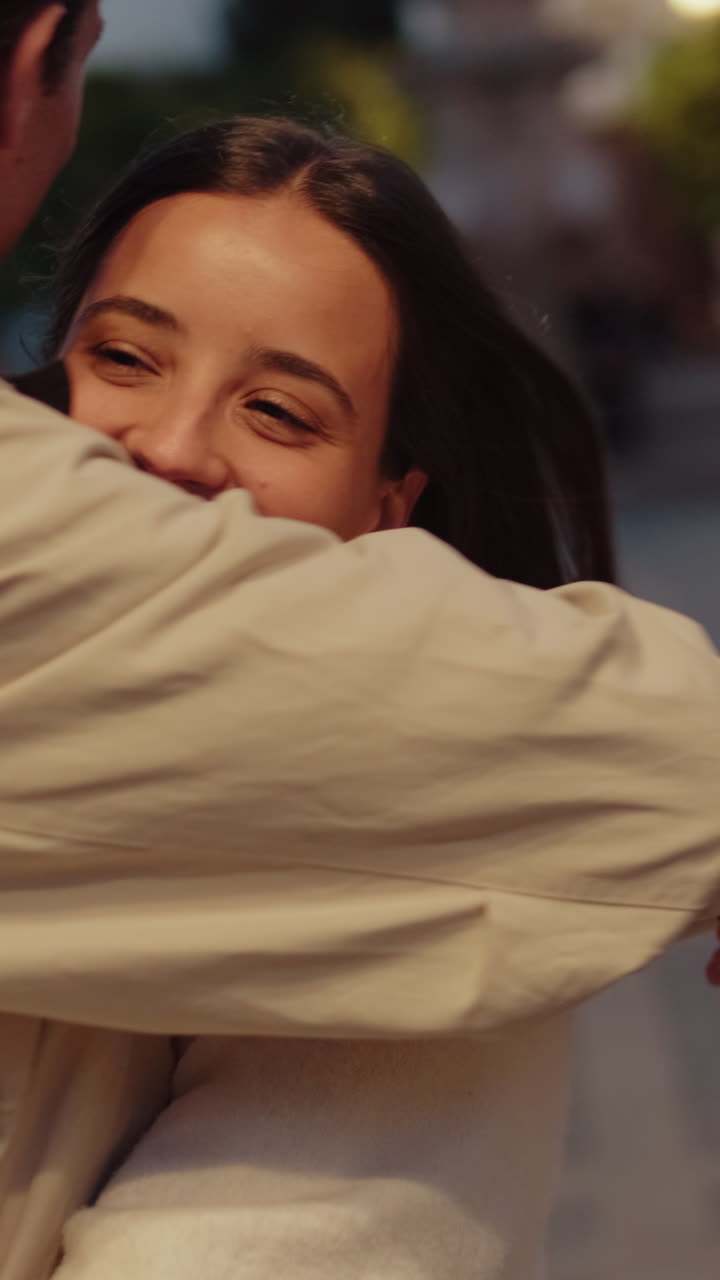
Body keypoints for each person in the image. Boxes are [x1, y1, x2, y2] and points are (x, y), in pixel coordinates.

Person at [0, 6, 719, 1279]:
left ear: (393, 506)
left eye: (279, 410)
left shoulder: (444, 905)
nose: (169, 447)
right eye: (121, 355)